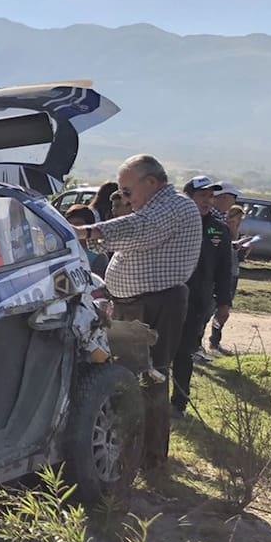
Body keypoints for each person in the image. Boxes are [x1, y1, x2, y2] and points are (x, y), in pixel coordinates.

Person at [74, 154, 201, 475]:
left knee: (149, 377)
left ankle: (149, 457)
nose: (126, 199)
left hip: (154, 304)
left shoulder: (172, 206)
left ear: (151, 182)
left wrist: (87, 231)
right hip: (137, 302)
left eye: (128, 192)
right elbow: (126, 239)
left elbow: (138, 230)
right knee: (130, 376)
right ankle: (134, 450)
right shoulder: (154, 208)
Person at [170, 176, 233, 415]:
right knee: (158, 352)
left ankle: (179, 404)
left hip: (197, 302)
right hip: (166, 298)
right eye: (201, 195)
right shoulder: (173, 224)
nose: (206, 201)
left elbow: (224, 269)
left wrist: (224, 303)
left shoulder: (218, 229)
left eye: (209, 196)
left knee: (184, 352)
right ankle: (149, 402)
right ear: (187, 197)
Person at [210, 204, 247, 351]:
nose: (236, 223)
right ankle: (198, 342)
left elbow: (240, 258)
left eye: (239, 220)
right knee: (210, 309)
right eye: (234, 219)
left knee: (224, 312)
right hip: (220, 274)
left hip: (233, 273)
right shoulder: (221, 231)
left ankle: (215, 340)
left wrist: (244, 249)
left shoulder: (239, 234)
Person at [65, 203, 107, 275]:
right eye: (71, 224)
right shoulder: (64, 250)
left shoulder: (98, 256)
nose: (74, 229)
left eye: (78, 224)